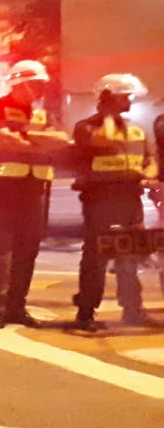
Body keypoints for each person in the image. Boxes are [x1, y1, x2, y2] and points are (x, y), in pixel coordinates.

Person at [0, 60, 71, 332]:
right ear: (21, 82)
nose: (41, 89)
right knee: (0, 251)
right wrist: (38, 142)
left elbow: (62, 140)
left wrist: (24, 137)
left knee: (28, 250)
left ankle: (16, 307)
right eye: (37, 83)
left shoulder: (42, 113)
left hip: (34, 189)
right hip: (1, 188)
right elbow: (2, 140)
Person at [70, 74, 158, 331]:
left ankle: (133, 309)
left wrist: (148, 175)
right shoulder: (86, 127)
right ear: (108, 97)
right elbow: (105, 141)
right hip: (100, 201)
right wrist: (108, 112)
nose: (130, 100)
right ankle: (86, 312)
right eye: (125, 95)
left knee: (129, 258)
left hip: (131, 199)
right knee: (96, 259)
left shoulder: (136, 128)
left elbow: (150, 159)